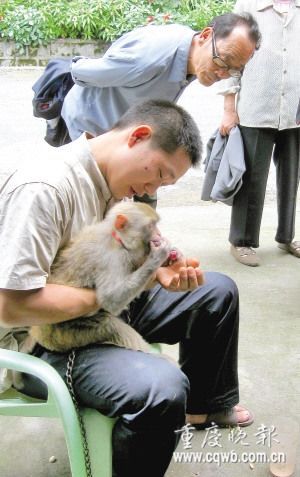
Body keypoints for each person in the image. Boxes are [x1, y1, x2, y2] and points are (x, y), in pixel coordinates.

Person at [0, 100, 252, 477]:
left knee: (216, 293)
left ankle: (204, 406)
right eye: (159, 174)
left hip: (99, 309)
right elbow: (12, 306)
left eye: (165, 184)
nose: (153, 188)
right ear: (137, 137)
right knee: (162, 389)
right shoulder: (46, 187)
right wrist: (109, 298)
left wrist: (161, 269)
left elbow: (127, 249)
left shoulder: (115, 183)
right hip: (40, 341)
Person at [61, 12, 261, 206]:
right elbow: (83, 73)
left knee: (143, 208)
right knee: (92, 210)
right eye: (221, 61)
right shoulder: (150, 58)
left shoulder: (191, 53)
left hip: (128, 135)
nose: (223, 74)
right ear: (206, 36)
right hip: (87, 129)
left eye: (234, 70)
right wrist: (66, 71)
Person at [219, 0, 300, 267]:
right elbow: (230, 55)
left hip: (294, 110)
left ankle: (287, 236)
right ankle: (241, 241)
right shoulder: (249, 5)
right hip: (256, 106)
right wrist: (229, 107)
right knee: (252, 177)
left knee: (291, 176)